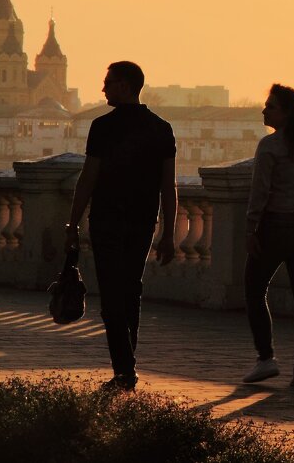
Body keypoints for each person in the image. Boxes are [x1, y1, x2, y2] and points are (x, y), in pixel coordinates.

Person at [65, 61, 177, 390]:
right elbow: (168, 187)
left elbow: (88, 179)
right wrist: (168, 234)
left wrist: (73, 222)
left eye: (108, 83)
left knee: (113, 296)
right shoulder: (161, 128)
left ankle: (124, 370)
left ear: (126, 86)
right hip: (142, 222)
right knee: (131, 292)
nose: (103, 89)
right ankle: (127, 366)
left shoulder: (103, 127)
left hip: (107, 220)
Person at [242, 83, 294, 389]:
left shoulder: (270, 146)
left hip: (277, 226)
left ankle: (266, 358)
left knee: (254, 288)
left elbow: (260, 193)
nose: (264, 110)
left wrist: (252, 229)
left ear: (286, 113)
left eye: (271, 106)